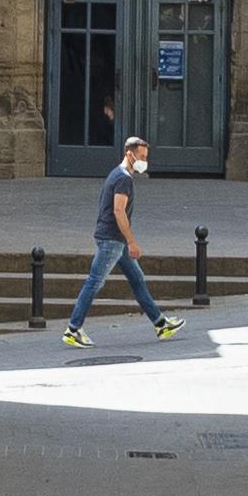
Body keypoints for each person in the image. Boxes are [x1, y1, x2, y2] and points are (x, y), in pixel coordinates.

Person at [62, 135, 177, 344]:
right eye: (141, 156)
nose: (144, 161)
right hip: (113, 240)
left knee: (137, 279)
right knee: (94, 282)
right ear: (129, 154)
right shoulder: (123, 178)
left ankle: (160, 324)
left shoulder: (117, 174)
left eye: (146, 157)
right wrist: (132, 241)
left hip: (115, 240)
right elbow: (118, 210)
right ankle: (73, 329)